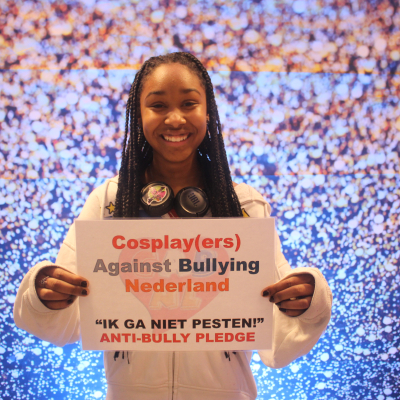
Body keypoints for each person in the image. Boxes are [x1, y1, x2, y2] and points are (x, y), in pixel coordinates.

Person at [14, 52, 332, 400]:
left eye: (189, 103)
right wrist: (44, 293)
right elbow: (67, 325)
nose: (176, 118)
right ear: (139, 115)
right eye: (158, 105)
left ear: (207, 112)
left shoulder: (244, 204)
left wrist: (308, 299)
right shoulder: (108, 200)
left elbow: (277, 343)